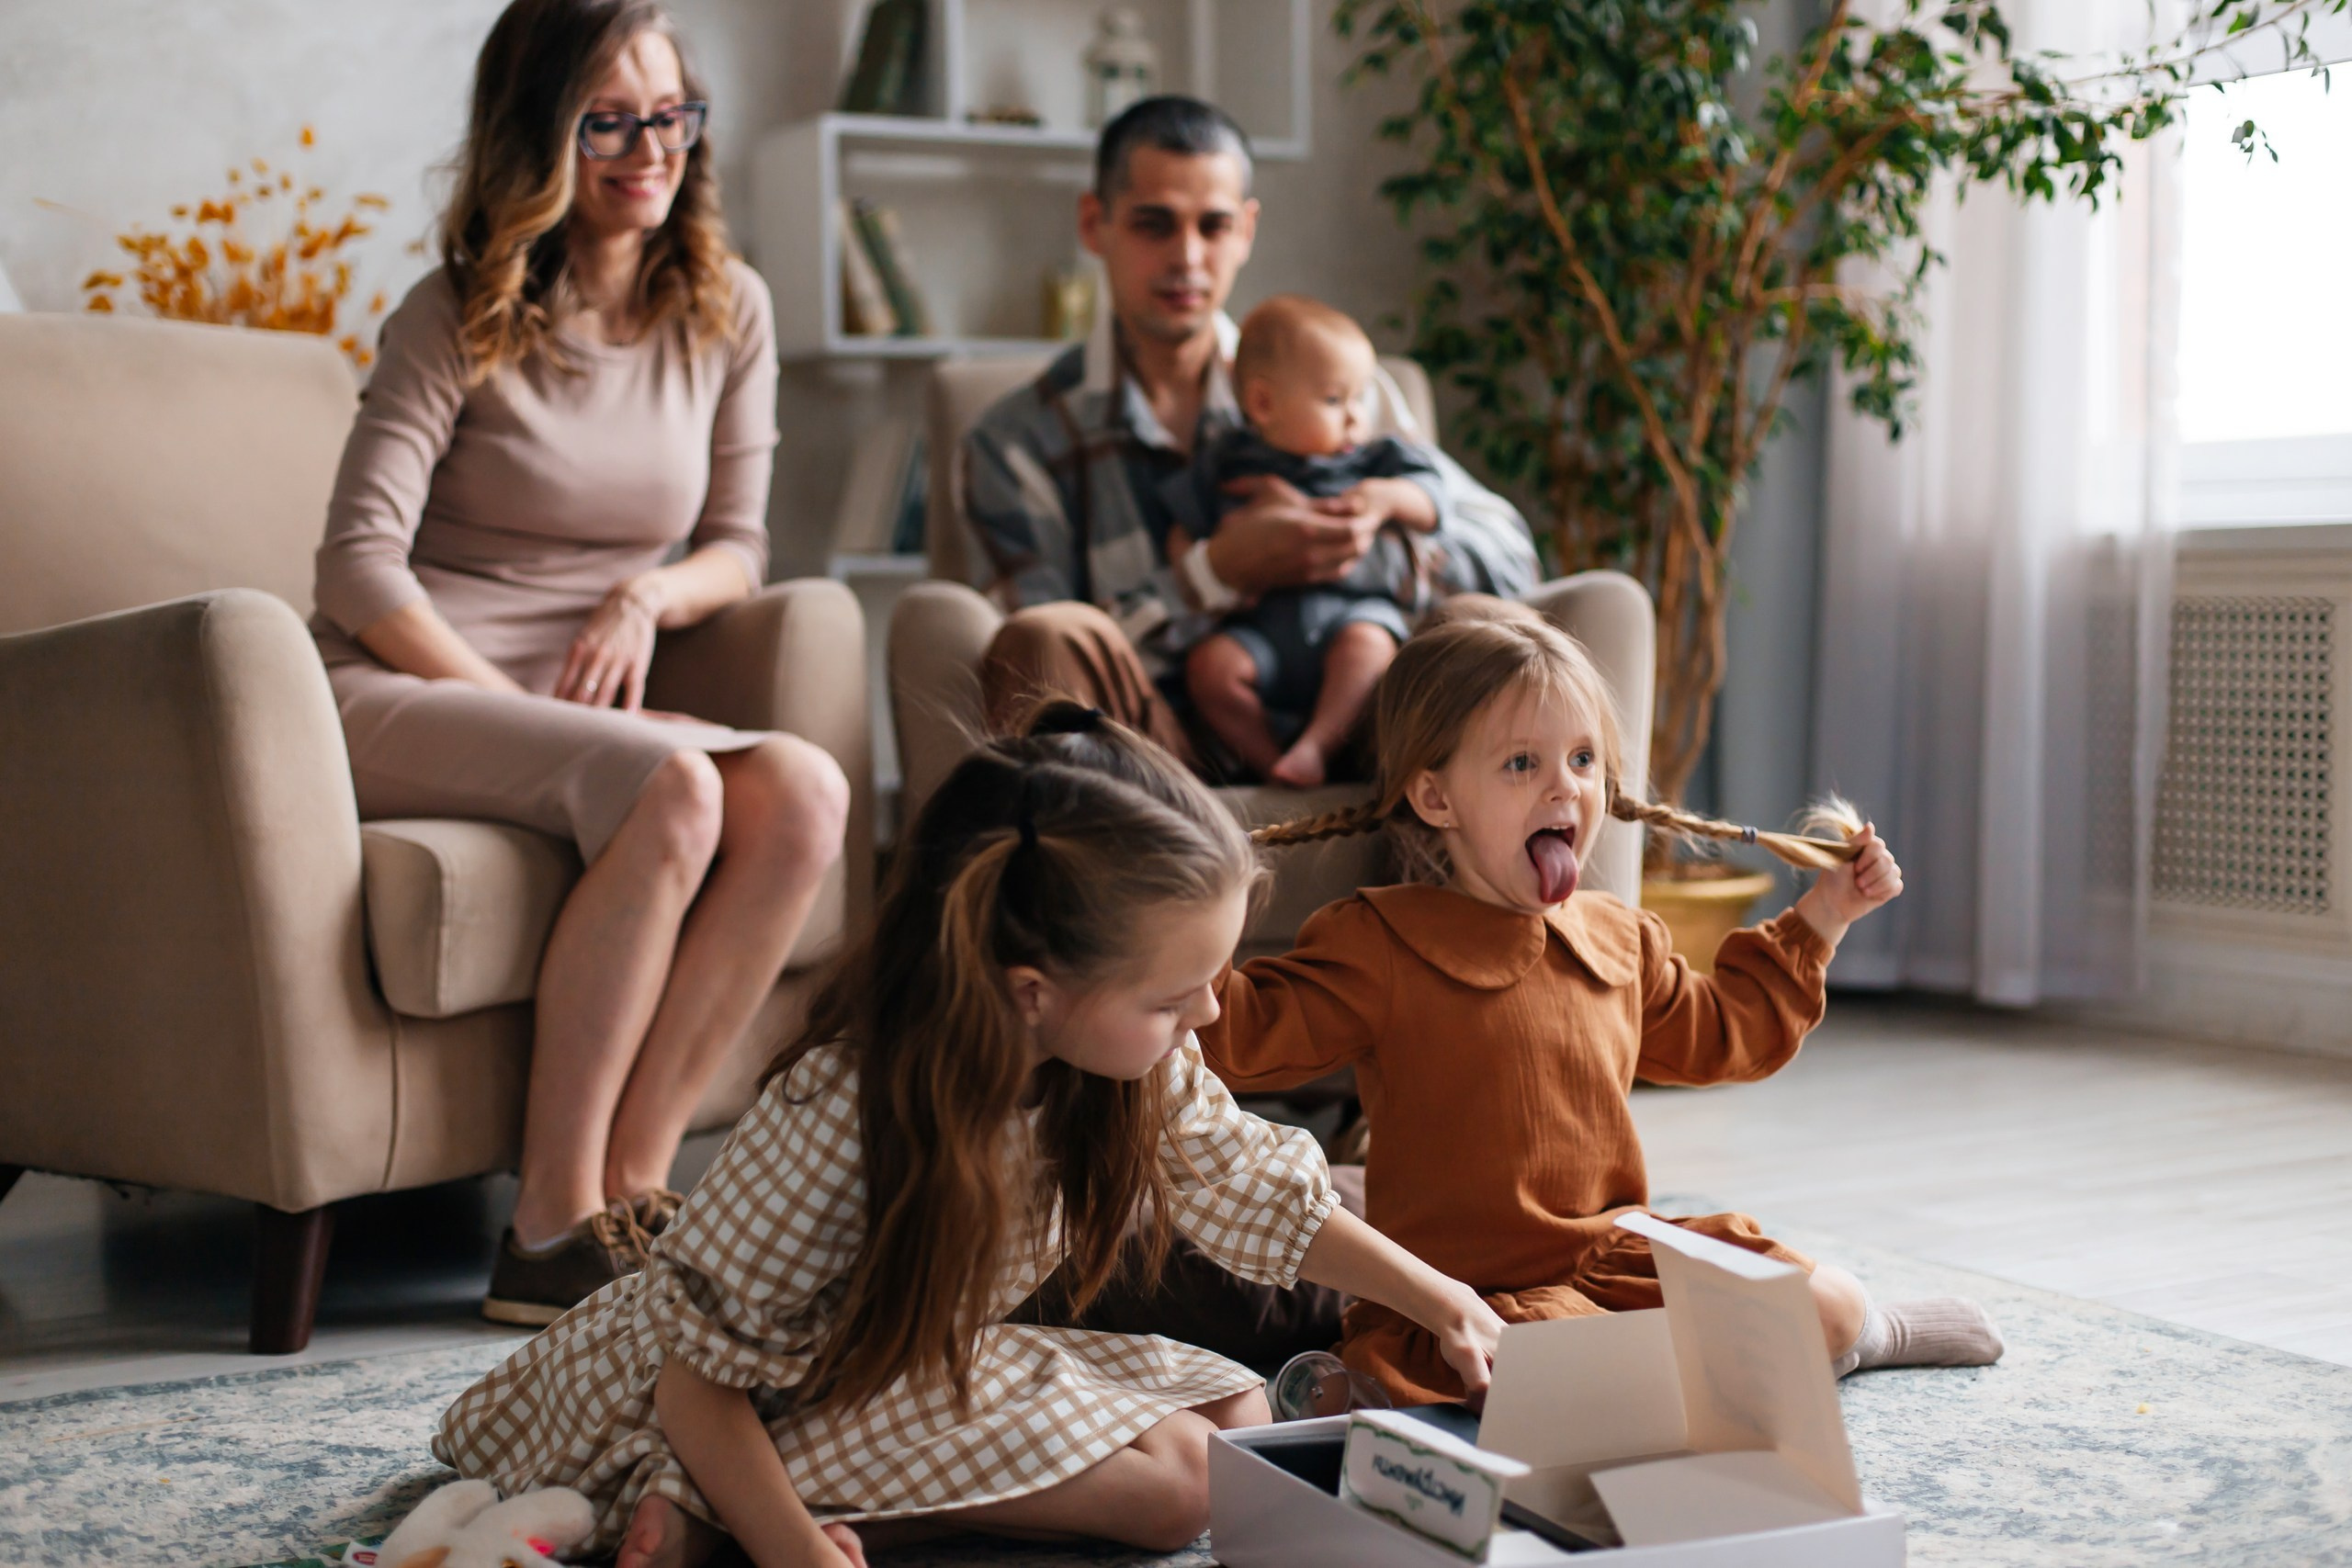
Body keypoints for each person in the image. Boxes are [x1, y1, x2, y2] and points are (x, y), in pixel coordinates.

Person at [429, 703, 1508, 1568]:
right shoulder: (839, 1118)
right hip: (706, 1404)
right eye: (1176, 997)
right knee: (1181, 1494)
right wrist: (793, 1548)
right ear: (1032, 991)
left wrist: (1441, 1299)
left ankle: (764, 1509)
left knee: (1237, 1419)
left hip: (900, 1367)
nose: (1210, 1020)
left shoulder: (1124, 1060)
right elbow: (694, 1379)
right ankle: (716, 1512)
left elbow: (1251, 1188)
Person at [309, 0, 848, 1325]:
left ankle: (634, 1189)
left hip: (577, 700)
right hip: (405, 684)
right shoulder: (456, 311)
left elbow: (738, 545)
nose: (647, 148)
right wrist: (505, 713)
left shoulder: (727, 309)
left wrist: (641, 597)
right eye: (607, 119)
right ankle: (544, 1224)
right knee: (677, 783)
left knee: (808, 793)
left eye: (671, 115)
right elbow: (356, 567)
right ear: (538, 133)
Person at [1200, 615, 2007, 1405]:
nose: (1565, 786)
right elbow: (1240, 1035)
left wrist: (1824, 917)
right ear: (1437, 797)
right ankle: (1701, 1376)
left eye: (1583, 758)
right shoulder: (1380, 941)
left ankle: (1867, 1335)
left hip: (1619, 1257)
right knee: (1540, 1371)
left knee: (1823, 1300)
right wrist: (1190, 932)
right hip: (1473, 1293)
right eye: (1522, 762)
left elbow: (1726, 1033)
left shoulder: (1617, 937)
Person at [962, 96, 1539, 779]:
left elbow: (1510, 560)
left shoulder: (1337, 385)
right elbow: (1034, 665)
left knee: (1479, 621)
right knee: (1050, 636)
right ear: (1096, 223)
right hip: (1147, 759)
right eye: (1155, 225)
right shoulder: (1017, 439)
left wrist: (1336, 542)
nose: (1187, 257)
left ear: (1247, 231)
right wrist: (1216, 571)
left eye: (1214, 225)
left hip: (1360, 734)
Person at [1169, 295, 1442, 788]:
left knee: (1371, 647)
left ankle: (1317, 746)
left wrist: (1385, 498)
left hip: (1348, 617)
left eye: (1360, 399)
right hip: (1262, 633)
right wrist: (1203, 565)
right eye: (1337, 400)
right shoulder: (1226, 461)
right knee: (1210, 668)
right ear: (1263, 404)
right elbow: (1182, 526)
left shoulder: (1369, 461)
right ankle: (1272, 760)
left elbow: (1431, 499)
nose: (1357, 417)